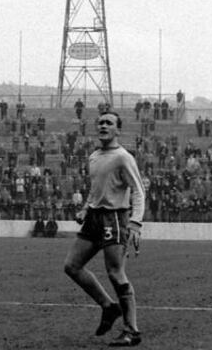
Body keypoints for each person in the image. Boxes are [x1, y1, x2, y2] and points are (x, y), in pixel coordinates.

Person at [63, 111, 145, 347]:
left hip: (115, 218)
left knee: (115, 272)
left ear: (118, 129)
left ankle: (132, 330)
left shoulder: (123, 157)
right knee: (72, 266)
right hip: (94, 218)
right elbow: (95, 189)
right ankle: (108, 306)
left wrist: (135, 223)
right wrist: (85, 209)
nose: (103, 126)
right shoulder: (94, 156)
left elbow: (138, 190)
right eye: (100, 123)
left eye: (109, 123)